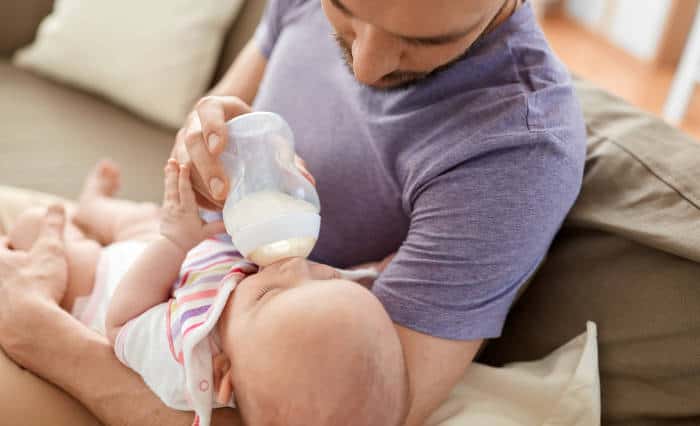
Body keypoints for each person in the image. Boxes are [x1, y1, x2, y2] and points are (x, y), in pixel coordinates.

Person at [0, 0, 586, 425]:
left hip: (151, 373)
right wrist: (204, 155)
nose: (367, 67)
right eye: (345, 11)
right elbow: (202, 147)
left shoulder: (515, 151)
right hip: (179, 269)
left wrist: (37, 333)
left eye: (423, 42)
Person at [6, 159, 408, 426]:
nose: (291, 268)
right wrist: (371, 274)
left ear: (220, 374)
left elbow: (122, 321)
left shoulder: (186, 358)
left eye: (267, 296)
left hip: (107, 282)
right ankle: (93, 206)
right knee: (142, 219)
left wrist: (174, 244)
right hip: (186, 260)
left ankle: (72, 229)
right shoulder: (286, 328)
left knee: (36, 225)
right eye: (326, 278)